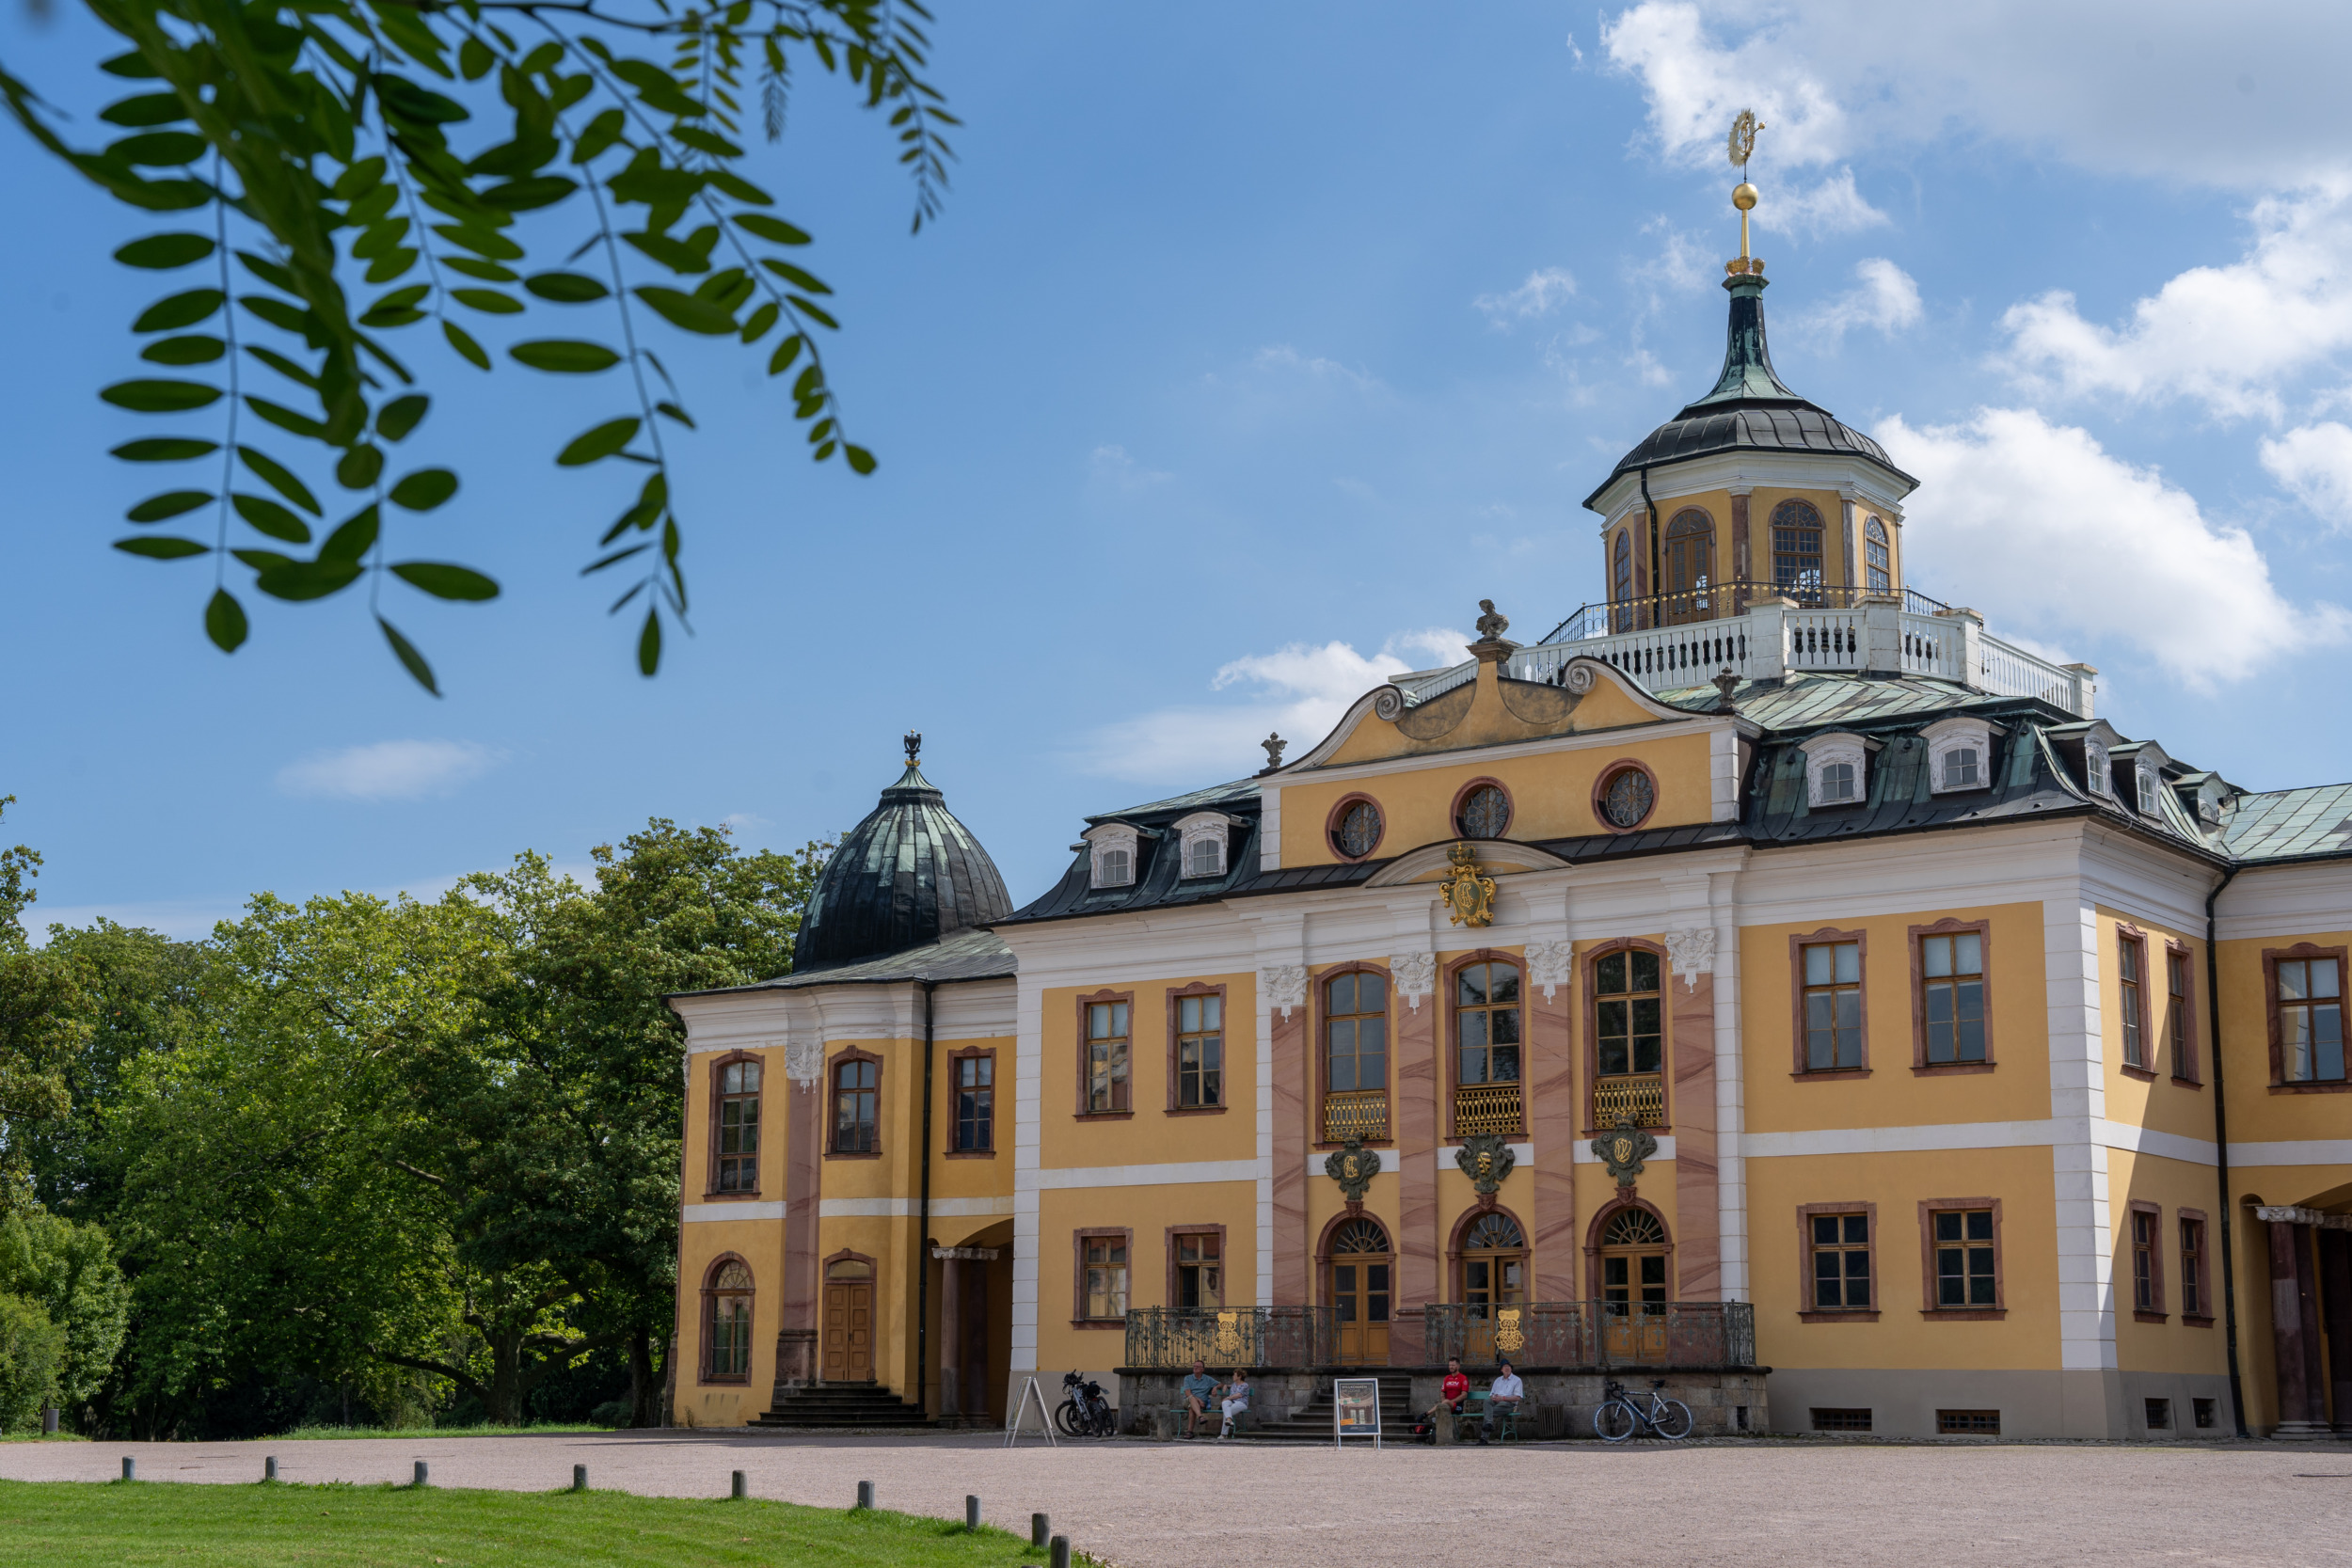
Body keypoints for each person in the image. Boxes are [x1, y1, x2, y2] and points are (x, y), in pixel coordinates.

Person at [1420, 1357, 1470, 1441]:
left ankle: (1426, 1414)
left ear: (1458, 1366)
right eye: (1449, 1365)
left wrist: (1450, 1402)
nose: (1451, 1367)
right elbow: (1442, 1393)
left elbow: (1464, 1395)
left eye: (1453, 1365)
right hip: (1446, 1405)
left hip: (1457, 1406)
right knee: (1443, 1405)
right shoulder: (1447, 1378)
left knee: (1443, 1405)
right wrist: (1444, 1401)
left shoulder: (1463, 1378)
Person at [1482, 1360, 1525, 1444]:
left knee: (1488, 1412)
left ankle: (1483, 1439)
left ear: (1511, 1369)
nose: (1507, 1368)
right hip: (1497, 1402)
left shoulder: (1517, 1380)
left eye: (1508, 1366)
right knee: (1487, 1401)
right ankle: (1489, 1424)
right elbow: (1492, 1394)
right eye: (1504, 1367)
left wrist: (1503, 1398)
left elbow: (1517, 1398)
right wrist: (1494, 1397)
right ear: (1501, 1369)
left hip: (1508, 1404)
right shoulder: (1498, 1380)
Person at [1179, 1360, 1220, 1438]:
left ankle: (1190, 1432)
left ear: (1202, 1369)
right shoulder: (1188, 1378)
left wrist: (1215, 1387)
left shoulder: (1207, 1379)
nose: (1195, 1368)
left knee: (1192, 1408)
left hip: (1201, 1404)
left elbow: (1221, 1384)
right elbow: (1188, 1393)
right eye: (1194, 1366)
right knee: (1191, 1398)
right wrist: (1199, 1400)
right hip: (1187, 1401)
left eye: (1198, 1366)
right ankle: (1200, 1416)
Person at [1217, 1369, 1251, 1440]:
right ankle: (1229, 1420)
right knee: (1224, 1403)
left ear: (1239, 1376)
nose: (1233, 1376)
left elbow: (1239, 1395)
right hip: (1232, 1401)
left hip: (1241, 1403)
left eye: (1234, 1375)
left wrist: (1228, 1398)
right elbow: (1229, 1386)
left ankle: (1224, 1434)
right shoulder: (1234, 1384)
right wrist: (1225, 1385)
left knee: (1227, 1411)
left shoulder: (1245, 1385)